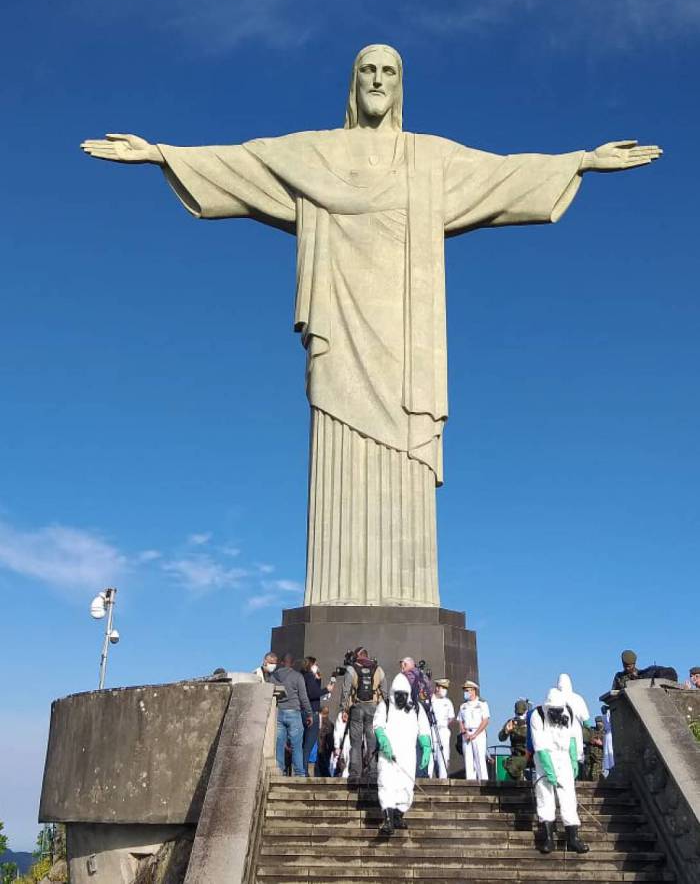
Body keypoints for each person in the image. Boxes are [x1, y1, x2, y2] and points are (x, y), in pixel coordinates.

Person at [81, 47, 661, 613]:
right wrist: (160, 153)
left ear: (401, 84)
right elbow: (243, 162)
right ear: (353, 82)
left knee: (406, 443)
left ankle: (408, 593)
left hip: (407, 334)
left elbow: (503, 174)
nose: (378, 80)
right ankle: (335, 593)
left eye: (389, 71)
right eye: (368, 71)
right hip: (340, 317)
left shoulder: (429, 159)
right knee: (338, 429)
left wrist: (581, 160)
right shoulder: (314, 153)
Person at [530, 687, 589, 855]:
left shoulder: (568, 711)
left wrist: (573, 759)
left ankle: (573, 838)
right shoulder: (537, 716)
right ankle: (548, 838)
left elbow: (572, 737)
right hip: (544, 758)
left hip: (563, 758)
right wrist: (549, 770)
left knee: (569, 797)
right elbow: (539, 746)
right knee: (545, 797)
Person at [373, 672, 431, 834]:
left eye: (403, 695)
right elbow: (378, 725)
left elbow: (424, 729)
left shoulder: (416, 709)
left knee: (406, 787)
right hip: (388, 755)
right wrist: (383, 741)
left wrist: (426, 747)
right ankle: (388, 820)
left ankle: (398, 815)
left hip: (407, 755)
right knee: (387, 784)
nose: (400, 698)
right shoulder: (384, 705)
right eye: (397, 695)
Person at [340, 647, 387, 781]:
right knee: (372, 742)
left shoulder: (351, 669)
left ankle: (355, 773)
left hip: (356, 708)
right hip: (374, 709)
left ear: (358, 656)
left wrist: (344, 709)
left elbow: (345, 691)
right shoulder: (378, 669)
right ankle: (373, 773)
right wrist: (383, 710)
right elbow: (385, 691)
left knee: (355, 742)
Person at [270, 653, 313, 777]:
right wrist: (309, 713)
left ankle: (279, 772)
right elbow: (303, 697)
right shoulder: (297, 676)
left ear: (282, 663)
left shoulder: (274, 676)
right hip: (294, 712)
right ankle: (299, 773)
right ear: (292, 664)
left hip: (278, 712)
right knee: (296, 745)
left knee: (279, 744)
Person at [301, 656, 334, 776]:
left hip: (305, 711)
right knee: (308, 745)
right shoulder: (309, 676)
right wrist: (327, 689)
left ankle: (302, 769)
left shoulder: (304, 676)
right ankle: (303, 771)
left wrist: (318, 680)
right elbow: (313, 693)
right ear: (311, 665)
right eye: (316, 664)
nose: (317, 666)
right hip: (311, 712)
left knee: (304, 743)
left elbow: (313, 690)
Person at [556, 674, 589, 775]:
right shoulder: (577, 698)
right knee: (576, 758)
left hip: (559, 732)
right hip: (575, 732)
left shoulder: (554, 698)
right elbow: (586, 719)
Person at [458, 680, 490, 780]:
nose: (465, 692)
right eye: (464, 690)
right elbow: (460, 721)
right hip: (466, 734)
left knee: (480, 759)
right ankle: (470, 782)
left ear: (473, 690)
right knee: (468, 760)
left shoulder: (482, 703)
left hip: (478, 733)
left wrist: (475, 734)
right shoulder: (463, 706)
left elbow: (485, 720)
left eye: (467, 690)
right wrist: (464, 732)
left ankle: (483, 782)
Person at [427, 679, 455, 778]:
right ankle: (429, 777)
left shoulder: (448, 702)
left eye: (445, 688)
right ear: (437, 688)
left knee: (443, 755)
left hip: (443, 730)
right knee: (430, 754)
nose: (444, 690)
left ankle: (443, 778)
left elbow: (451, 717)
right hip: (432, 729)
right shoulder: (430, 699)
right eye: (442, 687)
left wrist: (443, 724)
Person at [498, 699, 529, 781]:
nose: (520, 716)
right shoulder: (511, 722)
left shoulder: (530, 722)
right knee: (508, 764)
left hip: (529, 755)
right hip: (516, 755)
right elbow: (501, 738)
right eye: (518, 713)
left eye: (521, 713)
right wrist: (506, 731)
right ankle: (520, 780)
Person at [332, 710, 352, 778]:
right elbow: (337, 732)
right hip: (343, 743)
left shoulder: (356, 713)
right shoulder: (340, 716)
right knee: (343, 761)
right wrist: (337, 746)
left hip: (351, 742)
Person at [315, 705, 334, 777]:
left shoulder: (318, 722)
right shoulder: (330, 724)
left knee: (319, 766)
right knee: (325, 764)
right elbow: (331, 738)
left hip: (320, 747)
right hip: (326, 748)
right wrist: (332, 748)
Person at [586, 716, 605, 781]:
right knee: (587, 773)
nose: (598, 724)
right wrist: (592, 740)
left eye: (599, 722)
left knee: (596, 774)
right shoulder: (592, 730)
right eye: (597, 722)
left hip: (599, 757)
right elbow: (586, 737)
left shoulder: (605, 732)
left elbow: (609, 745)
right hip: (589, 755)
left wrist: (601, 743)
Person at [601, 704, 615, 777]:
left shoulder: (603, 716)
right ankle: (611, 766)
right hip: (609, 734)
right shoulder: (606, 716)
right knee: (610, 752)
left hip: (607, 735)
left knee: (608, 752)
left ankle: (609, 767)